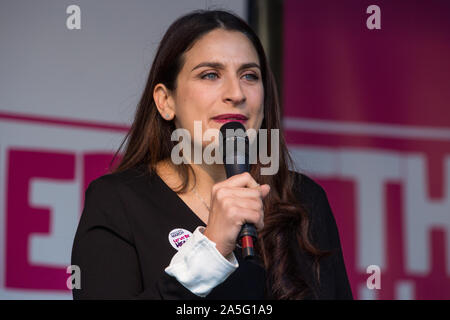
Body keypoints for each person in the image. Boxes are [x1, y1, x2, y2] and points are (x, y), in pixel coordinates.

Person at [71, 9, 353, 300]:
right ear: (166, 101)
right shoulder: (118, 201)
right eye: (210, 74)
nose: (236, 93)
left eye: (249, 76)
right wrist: (211, 249)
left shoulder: (304, 200)